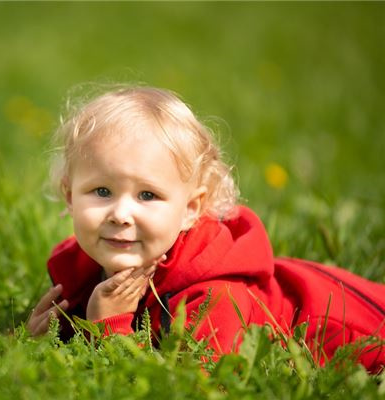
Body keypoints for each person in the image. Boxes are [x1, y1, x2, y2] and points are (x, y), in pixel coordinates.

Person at [26, 86, 384, 372]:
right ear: (70, 196)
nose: (121, 214)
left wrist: (108, 330)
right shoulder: (85, 269)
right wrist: (54, 335)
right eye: (102, 191)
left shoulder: (216, 298)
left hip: (362, 331)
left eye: (147, 195)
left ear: (190, 209)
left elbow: (197, 386)